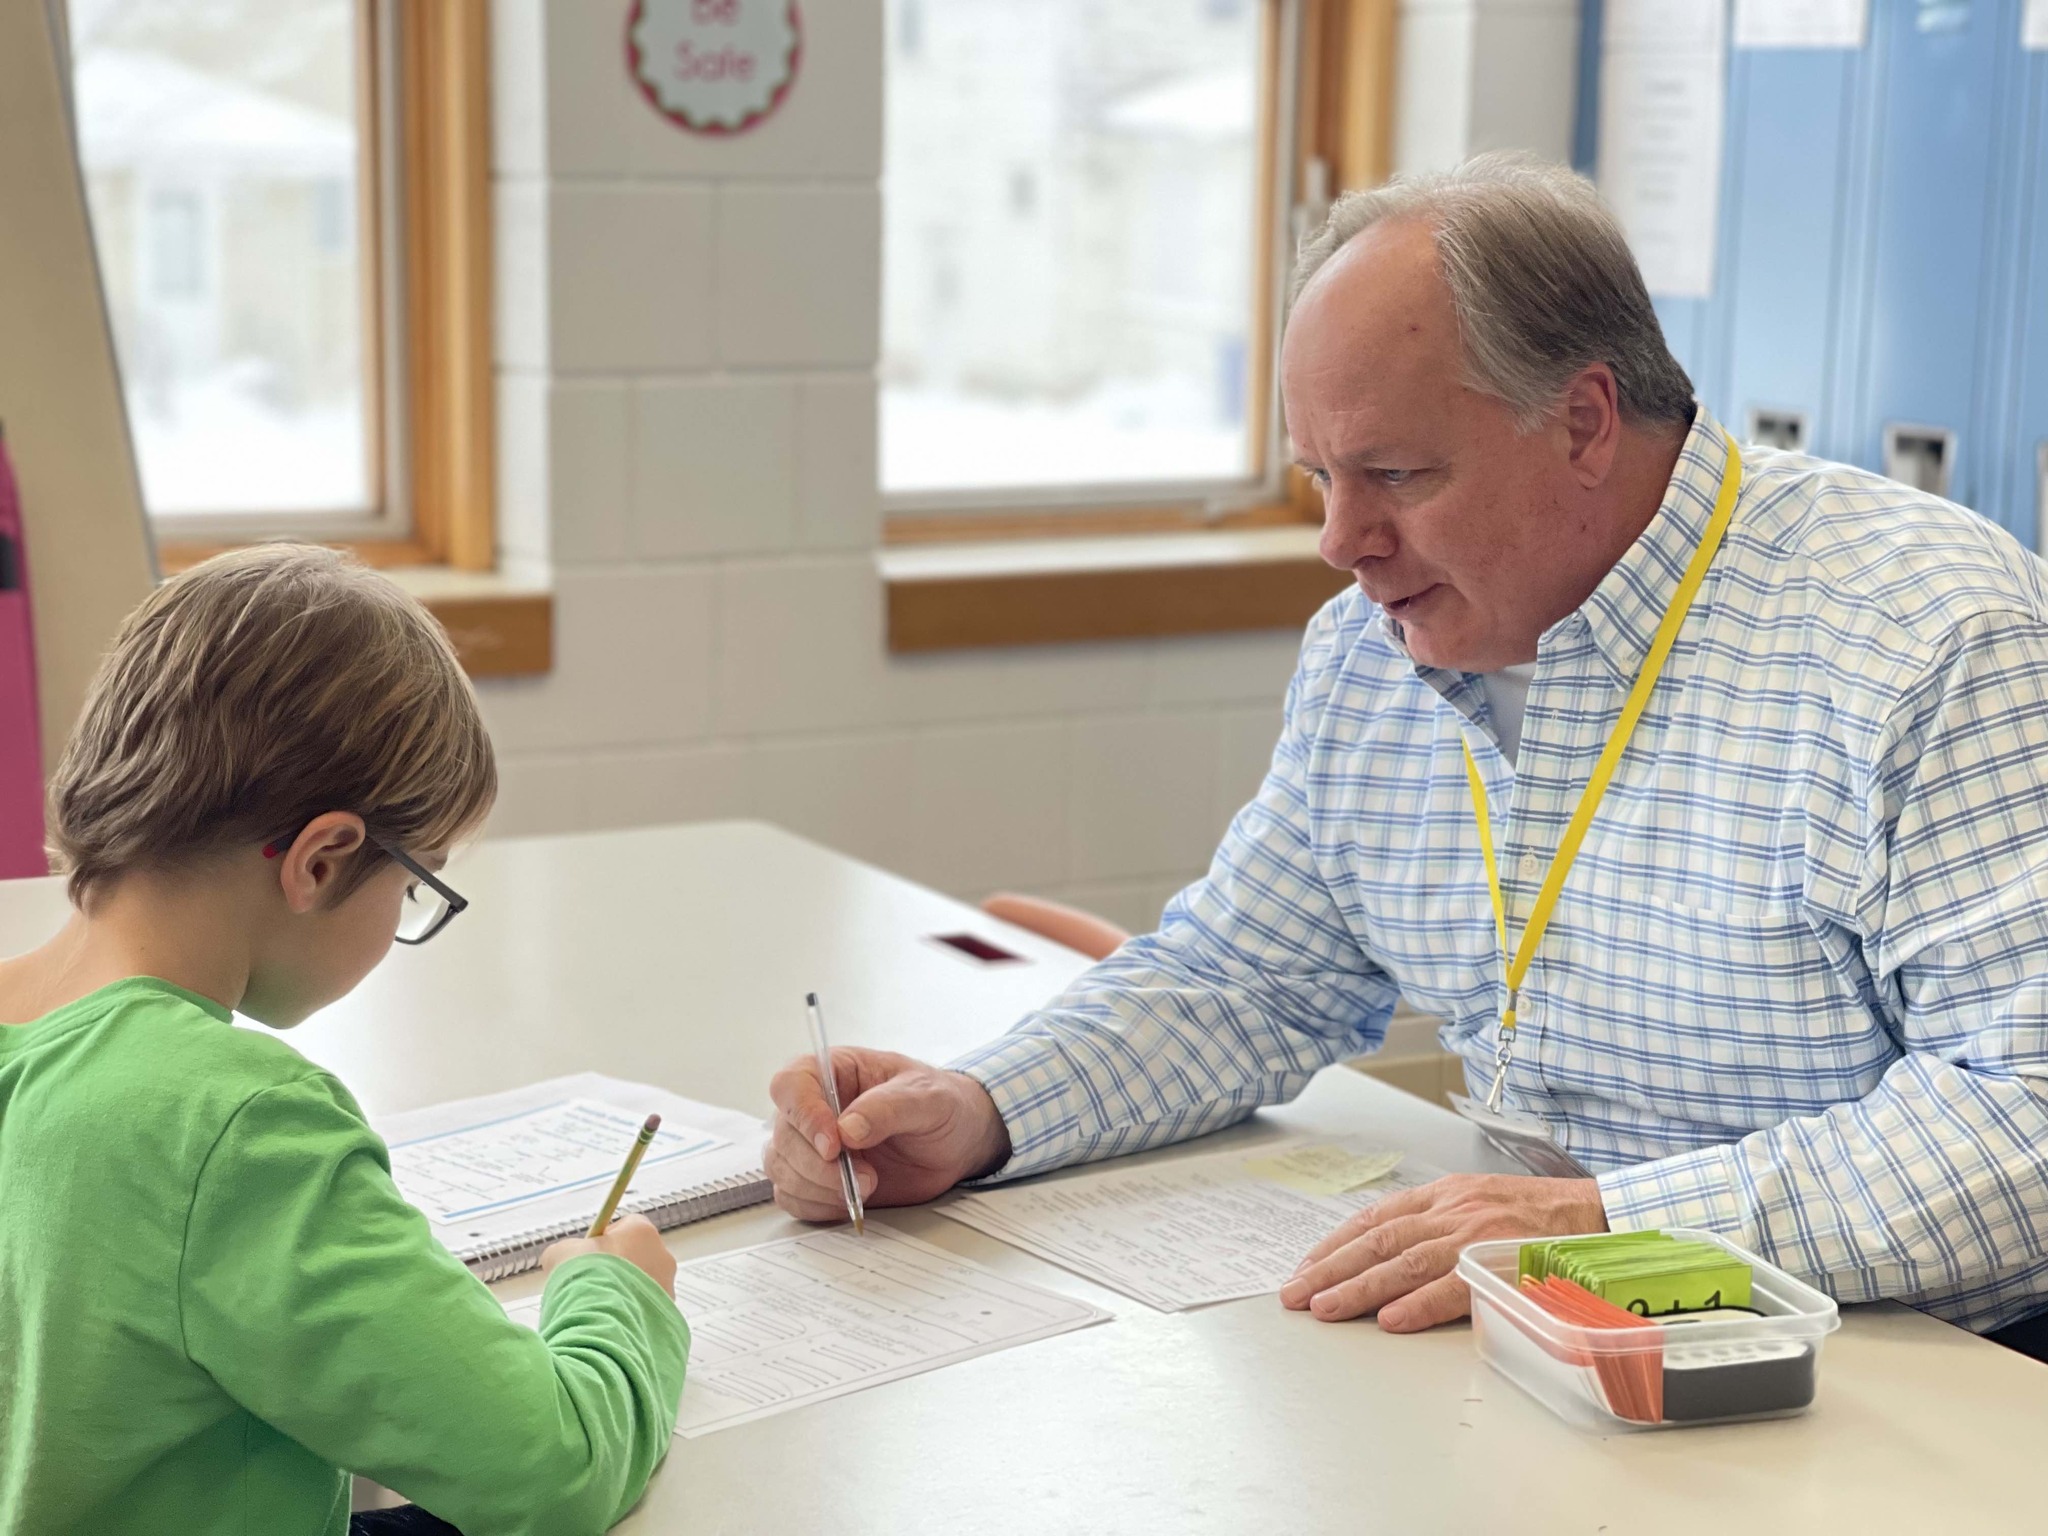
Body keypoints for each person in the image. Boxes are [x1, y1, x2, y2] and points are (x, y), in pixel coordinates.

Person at [765, 154, 2048, 1348]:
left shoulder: (1929, 643)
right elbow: (1245, 980)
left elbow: (2027, 1119)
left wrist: (1611, 1229)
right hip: (1545, 1342)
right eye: (1317, 476)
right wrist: (980, 1115)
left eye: (1390, 472)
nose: (1339, 541)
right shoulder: (1370, 652)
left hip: (1899, 1366)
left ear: (1584, 421)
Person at [0, 546, 686, 1535]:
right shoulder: (233, 1122)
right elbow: (556, 1470)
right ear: (322, 860)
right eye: (416, 886)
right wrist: (618, 1295)